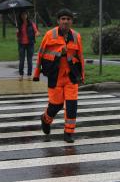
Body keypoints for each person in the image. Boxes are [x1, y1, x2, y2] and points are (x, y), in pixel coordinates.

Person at [33, 8, 85, 143]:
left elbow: (80, 57)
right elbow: (41, 55)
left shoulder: (76, 36)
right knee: (55, 105)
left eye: (68, 19)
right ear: (58, 21)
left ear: (72, 21)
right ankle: (45, 119)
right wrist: (37, 73)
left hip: (71, 76)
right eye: (63, 19)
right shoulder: (50, 35)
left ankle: (68, 132)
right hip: (55, 75)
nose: (66, 22)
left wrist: (82, 76)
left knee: (72, 105)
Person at [16, 10, 40, 81]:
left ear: (27, 15)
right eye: (22, 15)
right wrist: (17, 32)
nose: (24, 16)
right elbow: (18, 36)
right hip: (21, 44)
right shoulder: (19, 25)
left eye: (25, 14)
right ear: (20, 16)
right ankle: (21, 75)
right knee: (21, 60)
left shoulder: (31, 24)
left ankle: (29, 75)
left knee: (29, 60)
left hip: (30, 44)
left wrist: (36, 34)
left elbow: (37, 32)